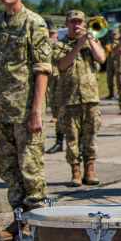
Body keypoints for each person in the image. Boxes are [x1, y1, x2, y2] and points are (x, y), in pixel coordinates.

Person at [0, 0, 51, 241]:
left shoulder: (34, 23)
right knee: (9, 169)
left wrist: (36, 110)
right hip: (2, 110)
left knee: (31, 169)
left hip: (25, 110)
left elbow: (42, 69)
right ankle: (19, 222)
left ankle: (39, 227)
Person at [53, 10, 106, 187]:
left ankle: (90, 170)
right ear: (67, 24)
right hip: (69, 100)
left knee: (90, 137)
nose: (76, 26)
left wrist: (89, 40)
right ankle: (75, 171)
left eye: (79, 22)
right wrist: (77, 46)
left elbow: (102, 58)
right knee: (72, 139)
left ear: (84, 24)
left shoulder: (92, 41)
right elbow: (61, 65)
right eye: (73, 22)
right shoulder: (60, 45)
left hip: (90, 98)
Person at [45, 25, 64, 153]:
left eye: (53, 34)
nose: (52, 37)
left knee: (63, 112)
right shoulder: (45, 45)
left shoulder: (60, 45)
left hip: (62, 82)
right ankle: (59, 142)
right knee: (56, 113)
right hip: (51, 81)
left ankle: (61, 141)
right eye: (50, 34)